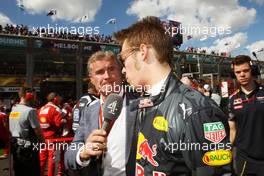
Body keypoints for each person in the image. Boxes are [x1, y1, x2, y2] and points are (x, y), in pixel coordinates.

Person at [114, 16, 231, 175]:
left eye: (122, 59)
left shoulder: (197, 112)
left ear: (143, 52)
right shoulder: (145, 102)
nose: (122, 69)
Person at [64, 51, 138, 176]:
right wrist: (84, 153)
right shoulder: (89, 110)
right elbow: (69, 155)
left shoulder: (141, 104)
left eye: (112, 69)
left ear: (121, 73)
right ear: (92, 79)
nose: (107, 76)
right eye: (99, 72)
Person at [228, 55, 264, 175]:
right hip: (244, 159)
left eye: (245, 70)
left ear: (252, 70)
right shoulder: (232, 99)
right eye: (238, 72)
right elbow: (232, 131)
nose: (242, 74)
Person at [9, 86, 44, 176]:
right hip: (28, 150)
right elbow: (38, 132)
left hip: (15, 147)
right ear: (28, 95)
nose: (35, 98)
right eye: (34, 95)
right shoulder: (30, 111)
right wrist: (42, 142)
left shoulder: (14, 109)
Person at [38, 92, 64, 176]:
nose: (60, 100)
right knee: (51, 160)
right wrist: (65, 120)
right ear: (55, 98)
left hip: (42, 138)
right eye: (59, 97)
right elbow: (58, 124)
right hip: (52, 138)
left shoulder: (41, 108)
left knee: (41, 160)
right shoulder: (55, 109)